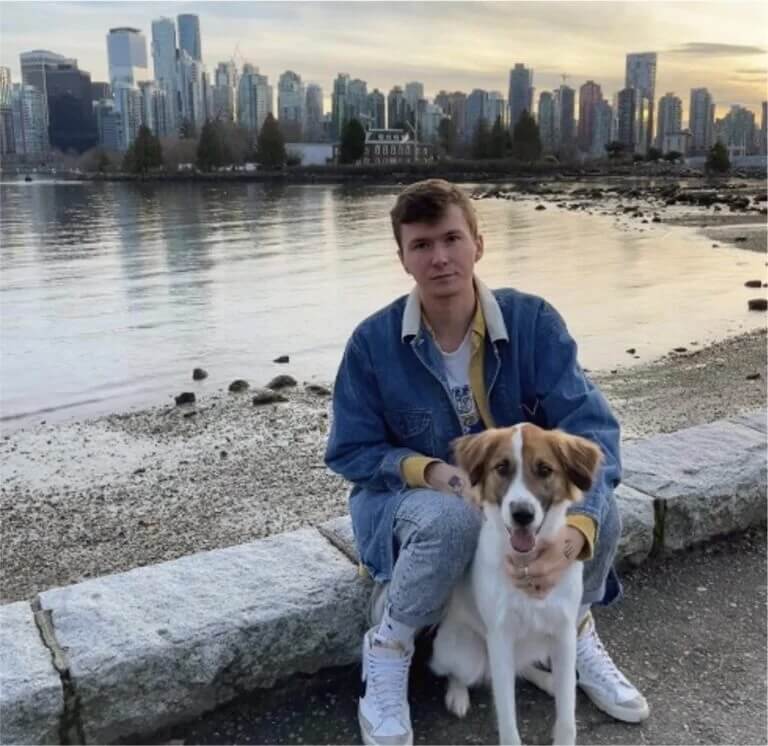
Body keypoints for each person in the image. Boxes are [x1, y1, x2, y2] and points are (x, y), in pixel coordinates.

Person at [325, 179, 649, 746]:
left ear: (478, 242)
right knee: (455, 520)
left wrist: (572, 537)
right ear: (402, 257)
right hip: (408, 502)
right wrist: (432, 472)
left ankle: (573, 627)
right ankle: (391, 642)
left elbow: (593, 431)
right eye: (422, 245)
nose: (440, 257)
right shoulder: (372, 345)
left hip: (512, 497)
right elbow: (350, 451)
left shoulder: (532, 323)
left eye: (452, 239)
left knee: (597, 508)